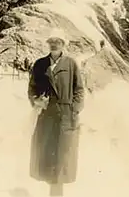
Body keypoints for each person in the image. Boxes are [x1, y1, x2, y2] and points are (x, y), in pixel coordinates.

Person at [28, 28, 85, 196]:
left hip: (65, 118)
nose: (54, 45)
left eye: (58, 42)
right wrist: (37, 100)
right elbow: (32, 88)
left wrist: (74, 109)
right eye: (51, 42)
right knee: (47, 157)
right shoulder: (39, 64)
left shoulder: (71, 64)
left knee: (62, 158)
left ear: (63, 44)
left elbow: (79, 90)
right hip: (46, 117)